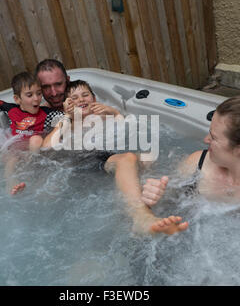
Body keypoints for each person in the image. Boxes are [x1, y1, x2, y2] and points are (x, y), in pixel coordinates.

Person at [43, 80, 189, 235]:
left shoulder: (107, 117)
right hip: (84, 158)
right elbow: (46, 148)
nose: (81, 100)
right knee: (128, 158)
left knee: (147, 158)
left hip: (107, 156)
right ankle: (140, 217)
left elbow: (130, 130)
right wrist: (67, 117)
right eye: (74, 98)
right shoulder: (69, 124)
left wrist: (114, 112)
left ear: (94, 98)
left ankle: (140, 201)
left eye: (85, 95)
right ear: (68, 104)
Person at [0, 71, 63, 194]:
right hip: (15, 147)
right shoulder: (12, 110)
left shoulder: (47, 113)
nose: (36, 98)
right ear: (17, 99)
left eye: (39, 93)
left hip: (34, 150)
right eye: (30, 95)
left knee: (36, 140)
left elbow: (66, 117)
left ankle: (32, 170)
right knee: (12, 159)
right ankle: (10, 183)